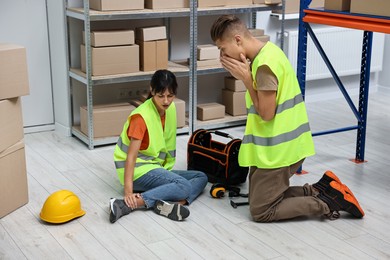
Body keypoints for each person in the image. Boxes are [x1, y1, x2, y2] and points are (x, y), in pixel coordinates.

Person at [210, 14, 364, 222]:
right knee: (260, 198)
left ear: (238, 40)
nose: (222, 55)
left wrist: (246, 80)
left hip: (280, 151)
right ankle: (322, 188)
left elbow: (266, 114)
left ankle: (328, 203)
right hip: (274, 147)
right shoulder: (268, 51)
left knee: (261, 211)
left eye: (222, 48)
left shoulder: (263, 67)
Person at [110, 69, 208, 223]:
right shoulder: (141, 117)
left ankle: (173, 203)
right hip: (137, 172)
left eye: (170, 96)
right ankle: (131, 204)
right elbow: (131, 156)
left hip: (155, 167)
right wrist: (128, 192)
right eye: (160, 96)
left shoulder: (170, 109)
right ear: (152, 90)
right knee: (183, 185)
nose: (166, 101)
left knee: (201, 177)